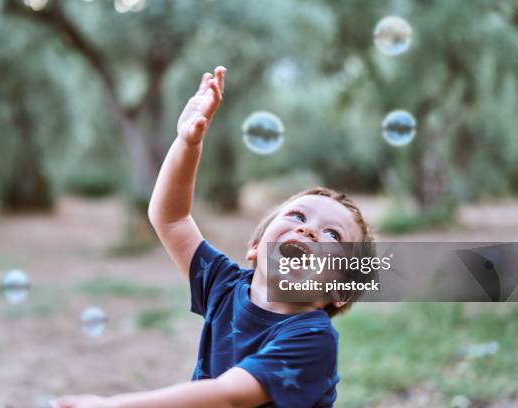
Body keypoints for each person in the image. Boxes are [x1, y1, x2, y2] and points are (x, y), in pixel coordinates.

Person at [52, 66, 373, 408]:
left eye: (333, 234)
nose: (308, 229)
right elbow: (171, 218)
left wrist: (112, 406)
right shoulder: (224, 287)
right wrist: (187, 144)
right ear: (254, 248)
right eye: (296, 215)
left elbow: (229, 395)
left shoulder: (312, 339)